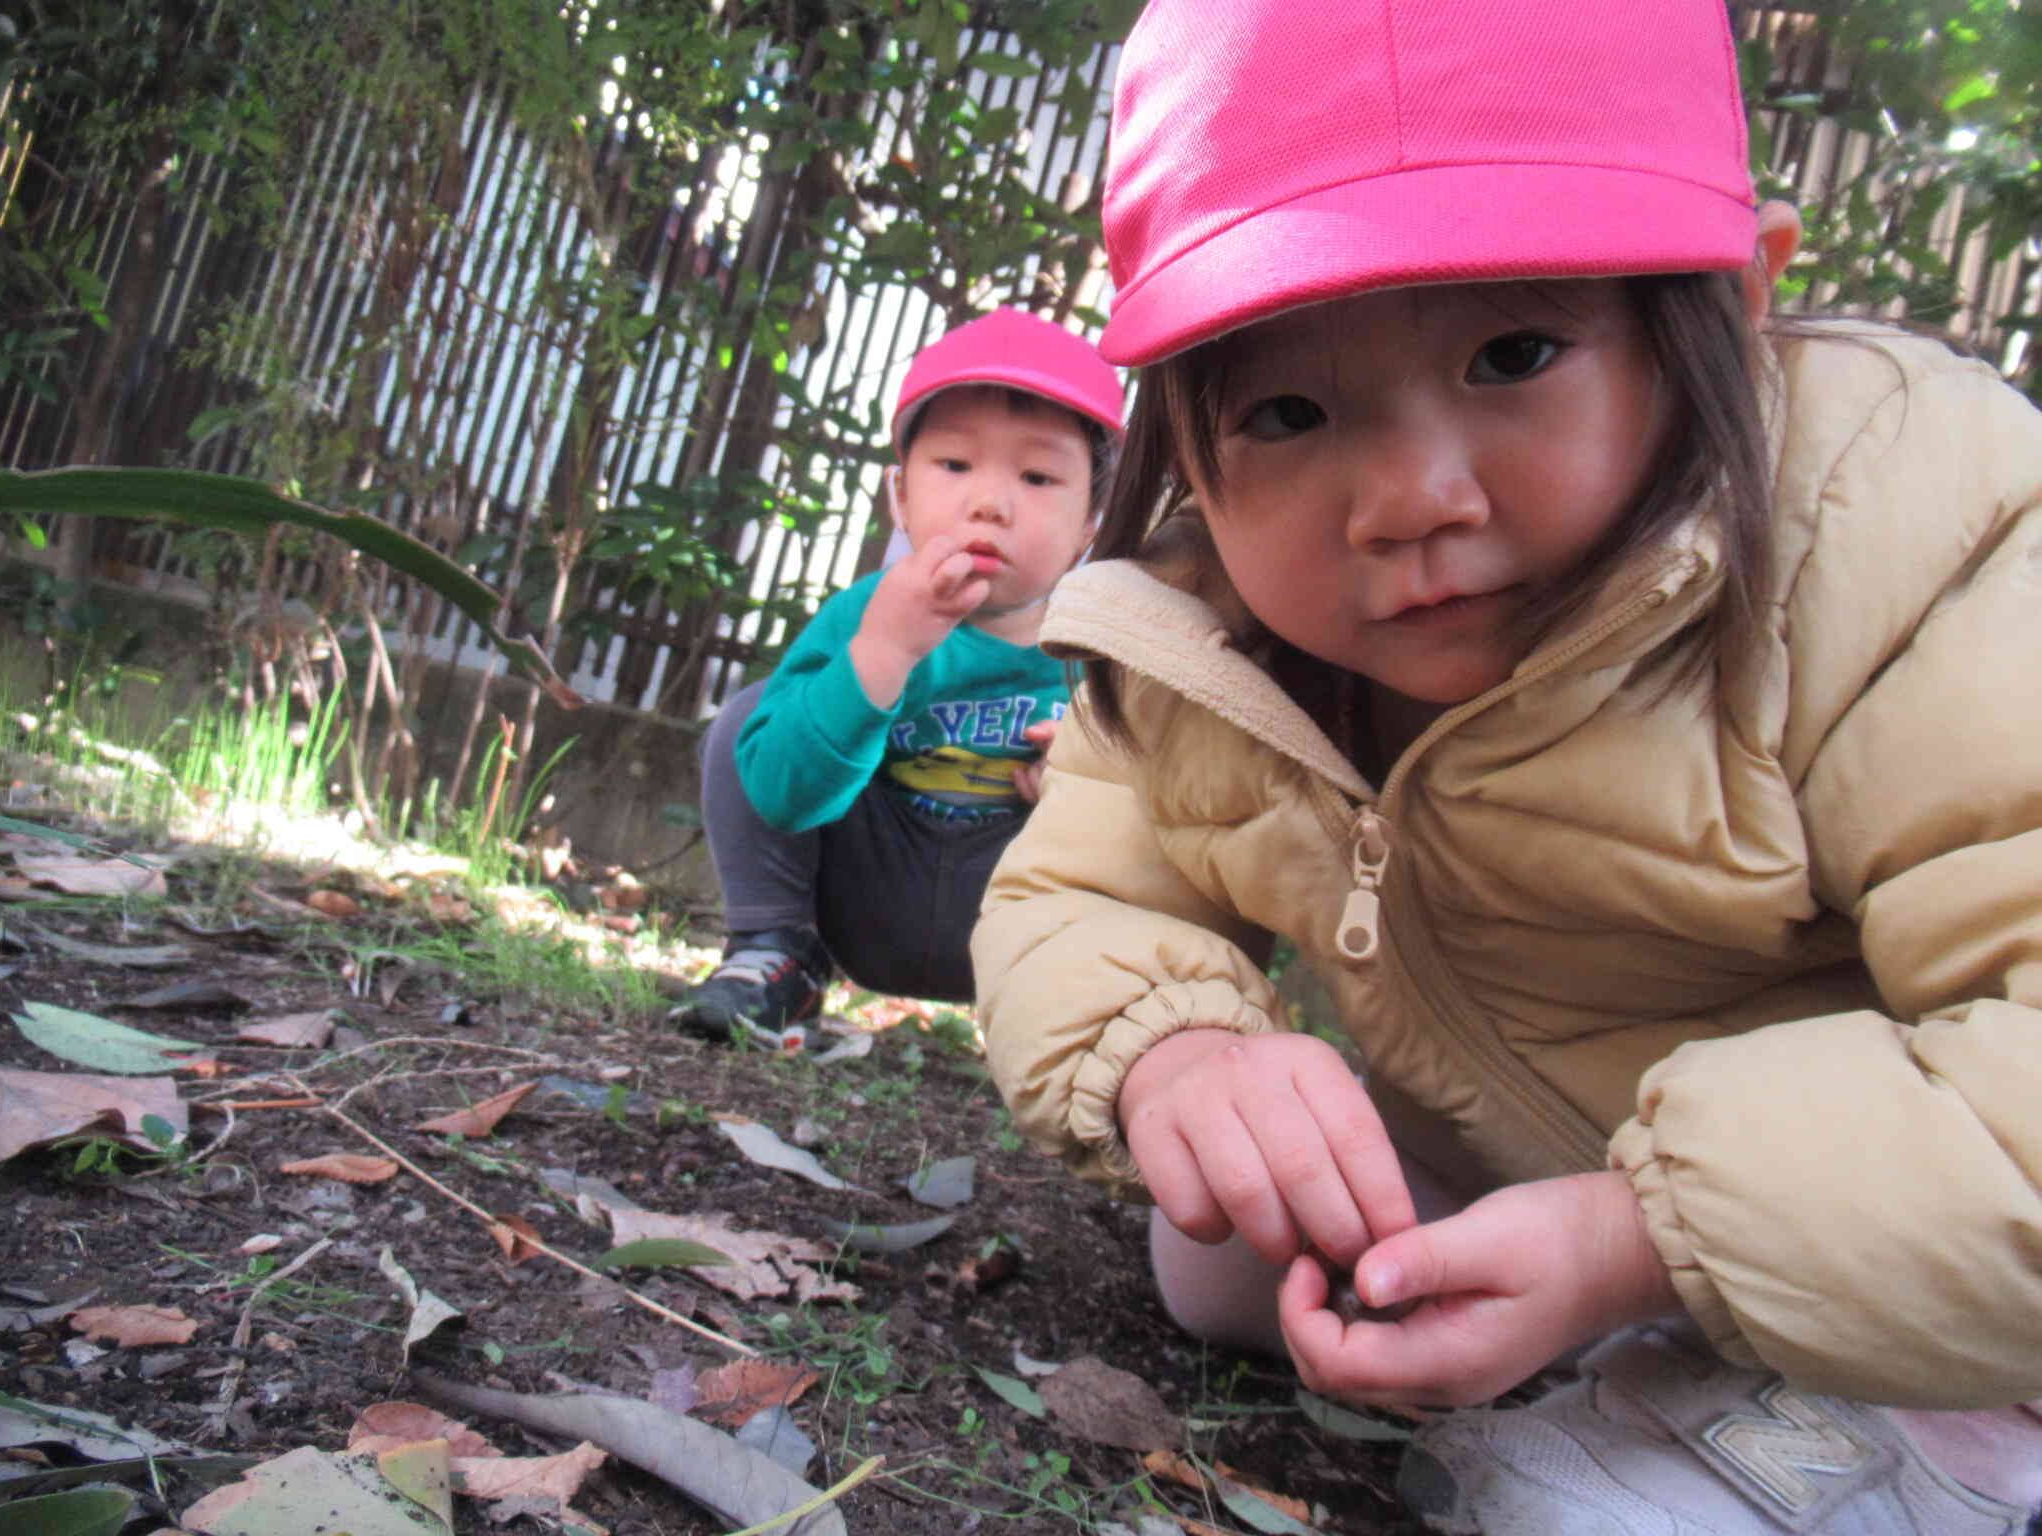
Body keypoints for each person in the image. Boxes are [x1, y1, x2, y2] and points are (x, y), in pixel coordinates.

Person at [970, 0, 2042, 1530]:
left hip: (1899, 1218)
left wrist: (1637, 1243)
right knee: (1219, 1248)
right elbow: (1074, 887)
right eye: (1286, 408)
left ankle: (1933, 1451)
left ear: (1732, 309)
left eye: (1513, 351)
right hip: (1502, 1156)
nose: (1408, 498)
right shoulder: (1208, 633)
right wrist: (1179, 1054)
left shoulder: (1897, 547)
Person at [669, 307, 1122, 1040]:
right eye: (954, 465)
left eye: (1038, 476)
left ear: (1092, 522)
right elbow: (781, 795)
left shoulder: (1110, 651)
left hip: (1025, 931)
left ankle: (1101, 1024)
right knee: (756, 718)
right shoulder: (862, 619)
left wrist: (1093, 785)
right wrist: (881, 658)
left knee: (1156, 775)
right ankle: (774, 951)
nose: (989, 502)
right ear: (900, 497)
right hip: (868, 890)